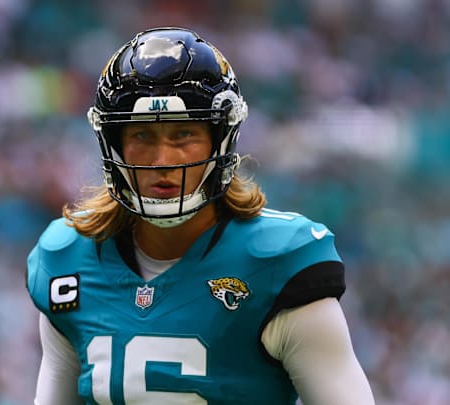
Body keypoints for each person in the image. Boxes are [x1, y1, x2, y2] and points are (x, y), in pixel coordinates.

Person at [25, 27, 375, 404]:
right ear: (114, 144)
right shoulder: (68, 260)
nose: (163, 161)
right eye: (142, 136)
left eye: (184, 135)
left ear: (220, 138)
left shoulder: (279, 263)